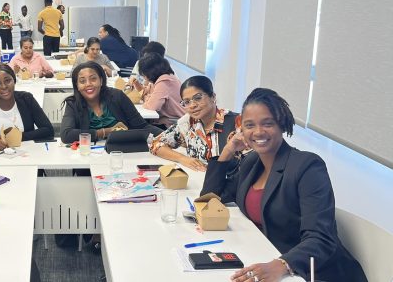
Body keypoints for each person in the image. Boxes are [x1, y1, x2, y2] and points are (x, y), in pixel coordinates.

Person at [202, 88, 367, 282]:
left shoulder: (307, 166)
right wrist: (228, 151)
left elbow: (321, 238)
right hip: (267, 258)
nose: (258, 132)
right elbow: (211, 198)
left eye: (268, 123)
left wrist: (282, 265)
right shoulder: (252, 162)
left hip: (314, 273)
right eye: (249, 125)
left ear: (282, 124)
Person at [150, 75, 243, 171]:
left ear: (213, 96)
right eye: (186, 102)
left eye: (198, 98)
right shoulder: (188, 123)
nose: (192, 105)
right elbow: (155, 144)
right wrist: (182, 159)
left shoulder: (238, 123)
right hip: (198, 181)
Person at [60, 61, 162, 144]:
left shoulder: (117, 96)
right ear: (77, 85)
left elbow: (142, 126)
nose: (88, 84)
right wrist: (104, 132)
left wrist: (168, 135)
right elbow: (66, 135)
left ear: (101, 80)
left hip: (120, 152)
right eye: (82, 81)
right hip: (87, 155)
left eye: (93, 79)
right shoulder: (73, 104)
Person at [133, 53, 185, 128]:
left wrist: (148, 98)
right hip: (164, 120)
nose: (144, 77)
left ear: (150, 72)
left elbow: (152, 106)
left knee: (136, 127)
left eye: (144, 74)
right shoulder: (159, 79)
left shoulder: (165, 81)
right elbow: (145, 93)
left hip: (172, 125)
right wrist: (136, 84)